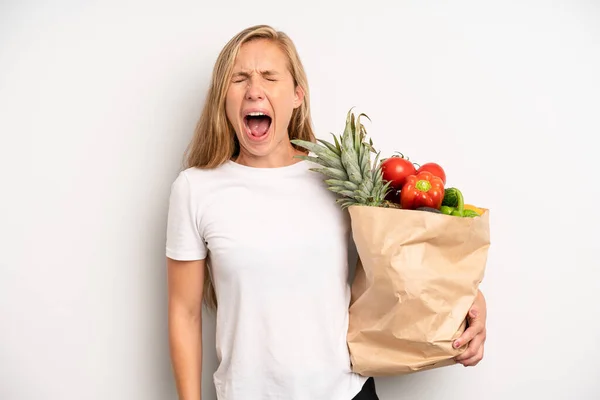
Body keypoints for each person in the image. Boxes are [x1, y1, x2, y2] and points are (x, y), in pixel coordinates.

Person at [165, 24, 487, 400]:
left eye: (270, 76)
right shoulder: (194, 188)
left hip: (346, 392)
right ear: (223, 97)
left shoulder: (338, 176)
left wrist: (471, 298)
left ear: (297, 95)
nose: (254, 89)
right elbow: (184, 314)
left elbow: (410, 256)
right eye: (239, 79)